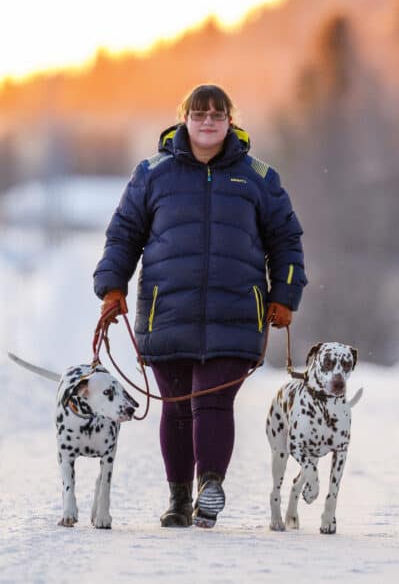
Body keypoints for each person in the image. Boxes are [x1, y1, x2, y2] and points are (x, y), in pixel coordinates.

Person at [93, 84, 307, 528]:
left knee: (212, 400)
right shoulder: (152, 173)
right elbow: (124, 234)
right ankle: (178, 499)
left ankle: (210, 486)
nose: (208, 121)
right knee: (176, 404)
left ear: (231, 120)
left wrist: (284, 294)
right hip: (167, 310)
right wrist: (112, 287)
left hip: (236, 313)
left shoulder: (258, 178)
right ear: (184, 119)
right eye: (199, 113)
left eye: (217, 114)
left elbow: (286, 240)